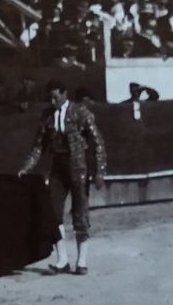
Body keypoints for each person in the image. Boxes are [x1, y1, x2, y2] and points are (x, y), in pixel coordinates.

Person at [17, 79, 107, 275]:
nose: (52, 101)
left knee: (80, 212)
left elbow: (97, 141)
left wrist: (100, 170)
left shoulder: (81, 112)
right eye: (50, 97)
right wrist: (27, 167)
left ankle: (81, 261)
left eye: (55, 97)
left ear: (65, 94)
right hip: (58, 166)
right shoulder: (48, 116)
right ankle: (62, 259)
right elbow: (38, 146)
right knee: (53, 212)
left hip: (78, 166)